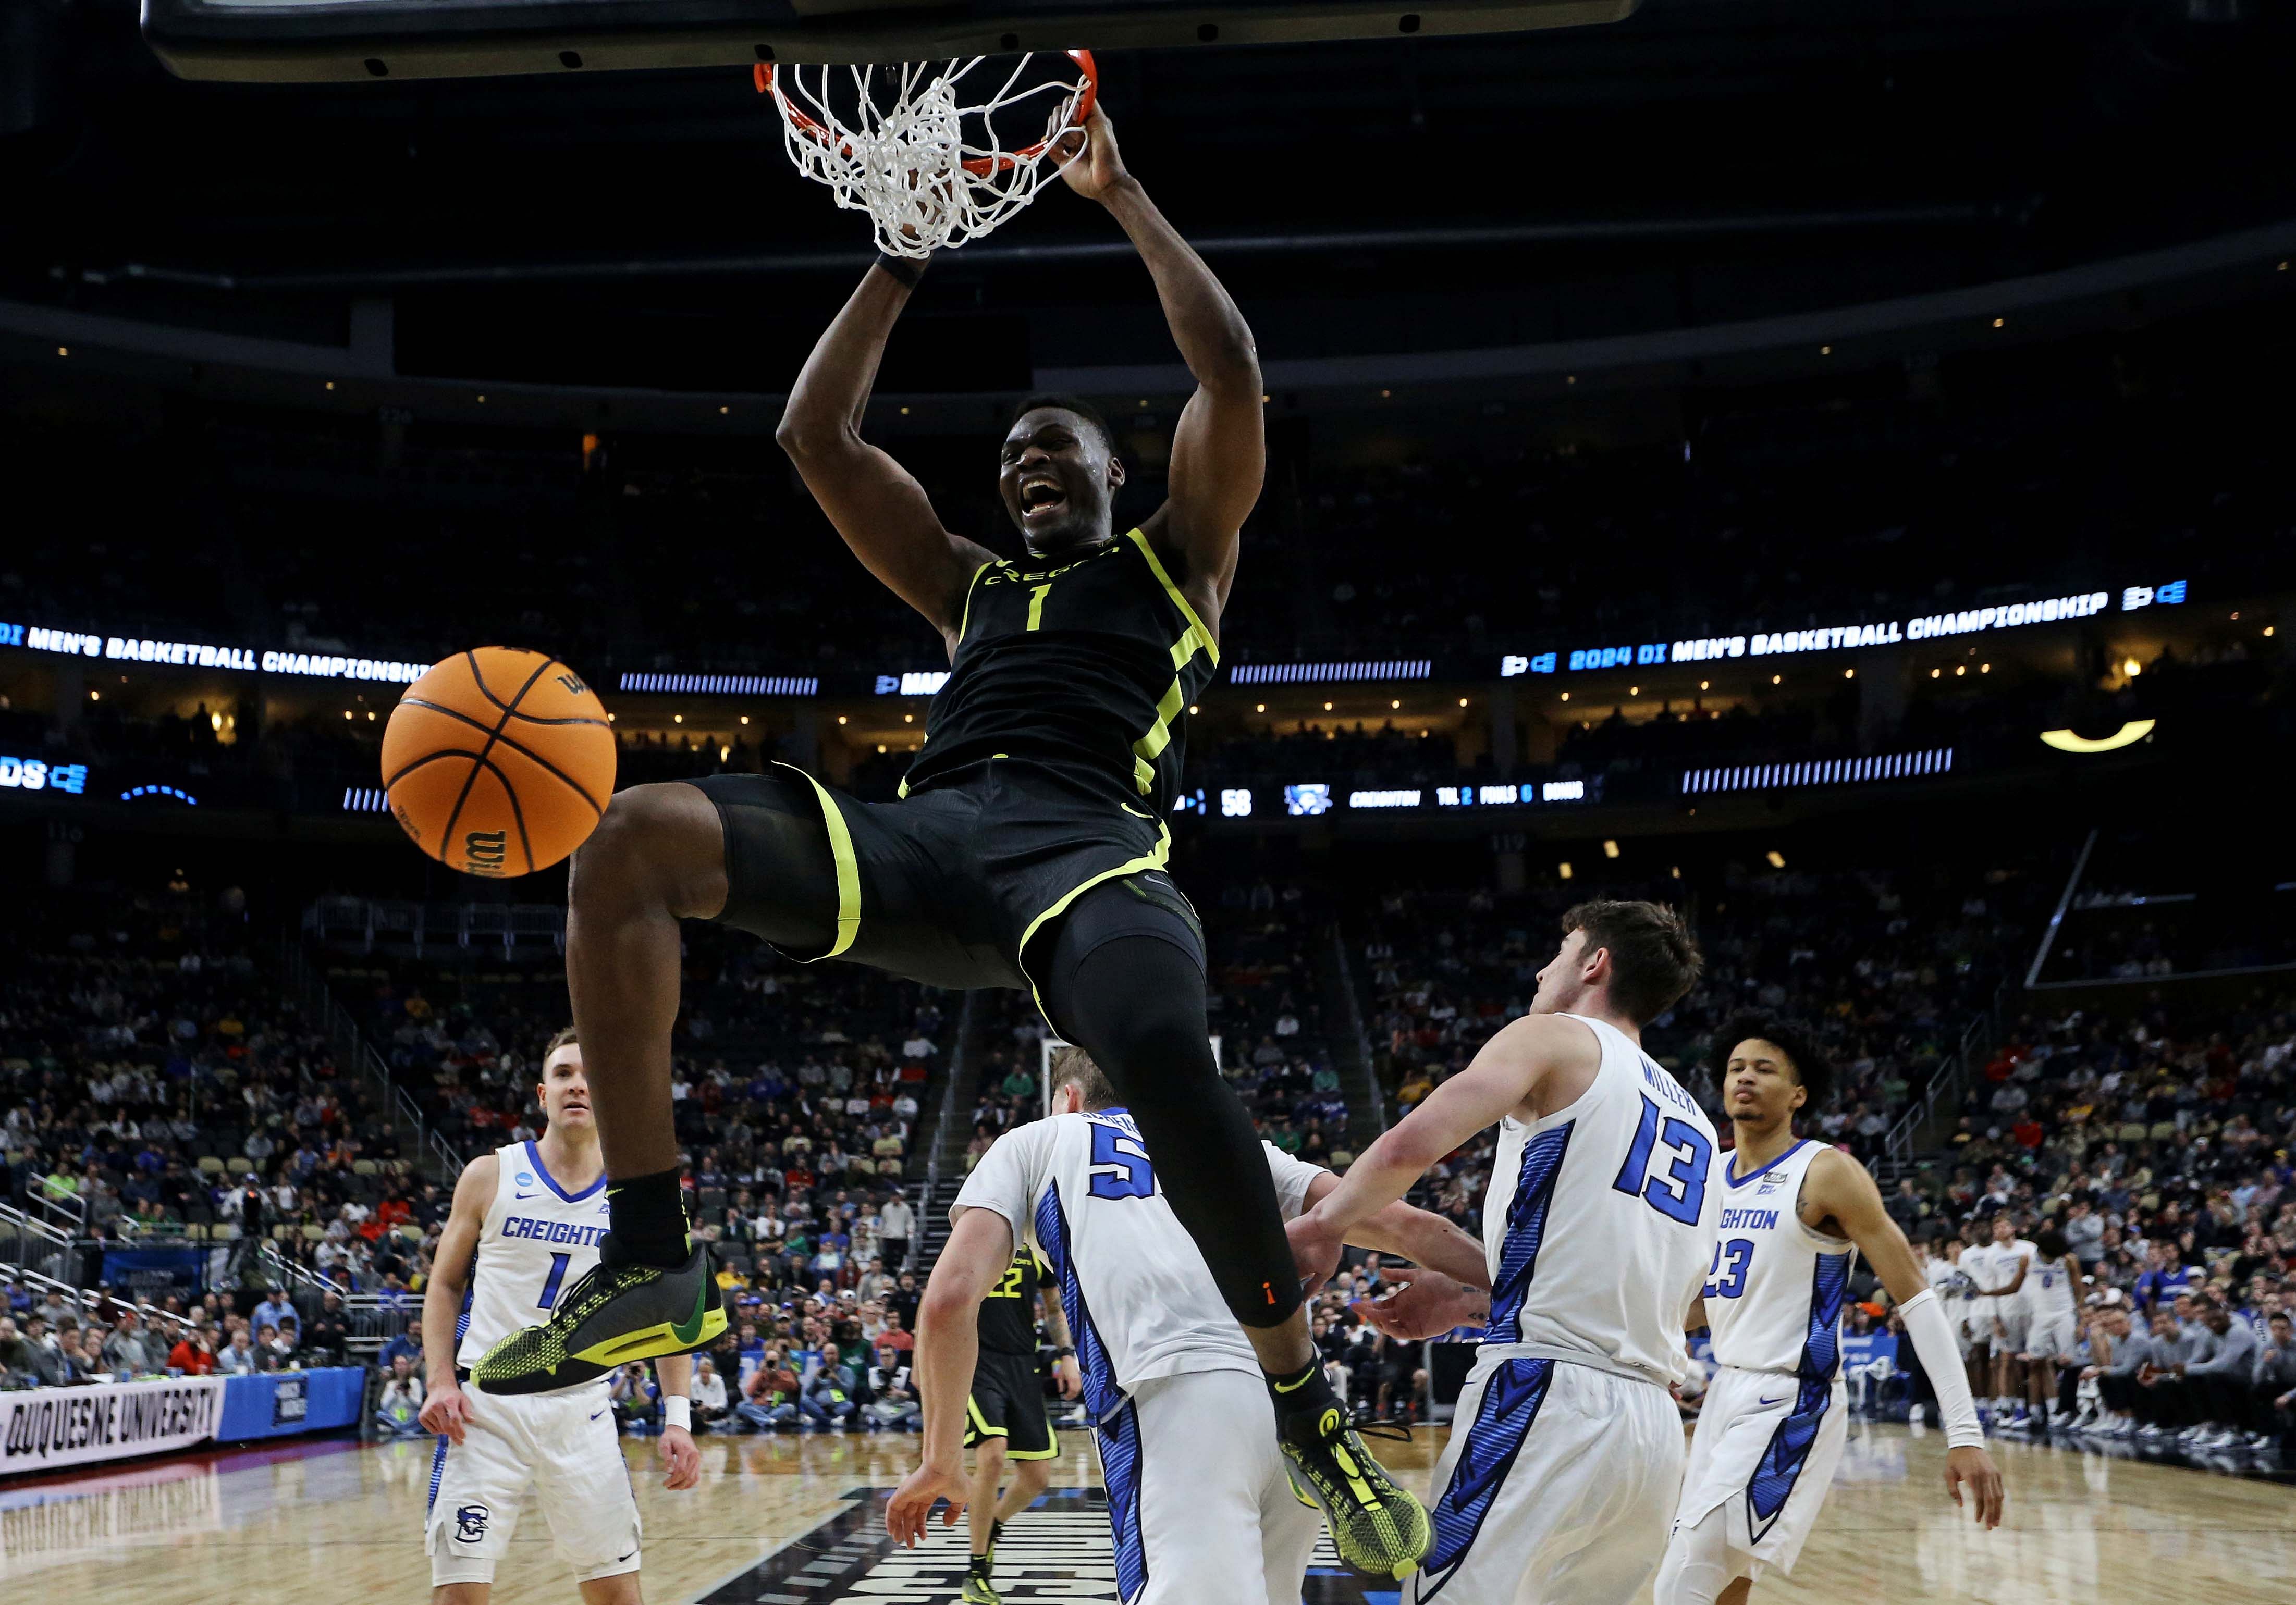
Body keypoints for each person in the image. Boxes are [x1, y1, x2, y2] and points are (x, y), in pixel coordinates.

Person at [470, 103, 1418, 1576]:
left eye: (1061, 450)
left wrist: (1119, 193)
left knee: (1166, 1061)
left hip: (1090, 851)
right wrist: (902, 251)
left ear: (1119, 479)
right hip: (927, 844)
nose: (1030, 462)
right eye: (1014, 455)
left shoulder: (1180, 564)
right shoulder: (966, 590)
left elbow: (1228, 369)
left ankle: (1298, 1402)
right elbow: (813, 434)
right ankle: (652, 1257)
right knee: (628, 840)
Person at [892, 1048, 1482, 1603]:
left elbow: (948, 1300)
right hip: (1297, 1403)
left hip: (1171, 1400)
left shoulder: (1038, 1140)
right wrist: (1496, 1294)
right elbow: (1413, 1229)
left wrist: (940, 1456)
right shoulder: (1232, 1141)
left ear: (1069, 1098)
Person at [1288, 902, 1721, 1605]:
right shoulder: (1699, 1127)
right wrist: (1469, 1303)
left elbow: (1410, 1146)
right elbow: (1689, 1304)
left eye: (1561, 950)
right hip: (1652, 1434)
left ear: (1594, 963)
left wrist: (1327, 1223)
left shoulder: (1554, 1039)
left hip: (1546, 1397)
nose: (1544, 968)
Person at [1651, 1017, 2003, 1605]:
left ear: (1797, 1094)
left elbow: (1915, 1293)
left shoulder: (1825, 1171)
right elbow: (1703, 1303)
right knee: (1724, 1584)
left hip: (1793, 1399)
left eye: (1764, 1069)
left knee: (1681, 1579)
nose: (1745, 1077)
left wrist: (1964, 1433)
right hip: (1725, 1395)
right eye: (1736, 1067)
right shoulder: (1709, 1175)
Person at [417, 1027, 700, 1604]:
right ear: (543, 1094)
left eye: (591, 1075)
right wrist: (439, 1379)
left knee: (618, 1593)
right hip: (484, 1409)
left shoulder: (644, 1199)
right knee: (460, 1593)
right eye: (566, 1073)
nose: (578, 1085)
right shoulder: (488, 1174)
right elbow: (445, 1283)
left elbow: (675, 1311)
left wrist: (678, 1419)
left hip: (582, 1412)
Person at [949, 1233, 1082, 1601]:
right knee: (992, 1454)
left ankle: (991, 1523)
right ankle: (976, 1570)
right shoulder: (968, 1239)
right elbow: (938, 1304)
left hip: (1023, 1365)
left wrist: (1067, 1355)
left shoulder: (1035, 1249)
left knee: (1037, 1477)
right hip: (978, 1361)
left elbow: (1054, 1308)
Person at [1968, 1212, 2040, 1427]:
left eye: (2004, 1226)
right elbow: (1989, 1288)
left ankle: (2037, 1408)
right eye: (1996, 1228)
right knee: (2008, 1361)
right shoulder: (1990, 1255)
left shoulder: (2030, 1249)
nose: (1999, 1231)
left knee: (2036, 1360)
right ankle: (2011, 1405)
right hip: (2006, 1312)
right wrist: (1995, 1319)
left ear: (2013, 1228)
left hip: (2032, 1310)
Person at [2018, 1227, 2083, 1433]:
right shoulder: (2028, 1259)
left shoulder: (2069, 1260)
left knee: (2069, 1363)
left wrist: (2080, 1319)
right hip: (2041, 1317)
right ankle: (2037, 1411)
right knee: (2035, 1363)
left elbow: (2079, 1290)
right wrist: (1987, 1293)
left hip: (2065, 1314)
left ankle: (2068, 1411)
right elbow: (2014, 1286)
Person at [376, 1354, 427, 1438]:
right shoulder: (391, 1384)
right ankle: (404, 1430)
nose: (400, 1367)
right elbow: (384, 1406)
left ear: (408, 1366)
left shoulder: (415, 1382)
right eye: (398, 1364)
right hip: (394, 1418)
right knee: (379, 1414)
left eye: (403, 1364)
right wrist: (394, 1393)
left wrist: (407, 1395)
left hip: (411, 1418)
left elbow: (418, 1404)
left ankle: (400, 1429)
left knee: (422, 1415)